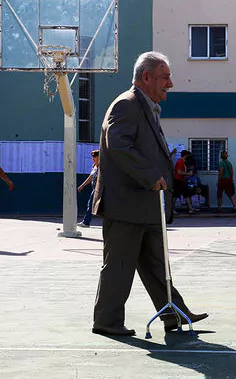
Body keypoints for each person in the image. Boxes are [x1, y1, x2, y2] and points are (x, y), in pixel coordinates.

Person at [91, 51, 207, 336]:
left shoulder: (147, 107)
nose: (170, 83)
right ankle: (107, 321)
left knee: (157, 264)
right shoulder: (127, 105)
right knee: (119, 265)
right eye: (165, 77)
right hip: (126, 204)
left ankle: (174, 313)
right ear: (146, 77)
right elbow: (118, 145)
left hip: (145, 204)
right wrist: (150, 175)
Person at [78, 150, 99, 228]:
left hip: (99, 189)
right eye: (92, 157)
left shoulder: (103, 166)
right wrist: (82, 185)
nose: (93, 158)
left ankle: (86, 222)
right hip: (94, 188)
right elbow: (90, 177)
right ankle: (86, 222)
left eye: (95, 157)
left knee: (90, 205)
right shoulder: (94, 166)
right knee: (90, 205)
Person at [174, 150, 195, 214]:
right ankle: (171, 209)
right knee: (176, 195)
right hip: (178, 180)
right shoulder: (180, 162)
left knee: (186, 194)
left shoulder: (183, 162)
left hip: (183, 180)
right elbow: (179, 172)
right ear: (185, 156)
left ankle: (190, 208)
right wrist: (188, 173)